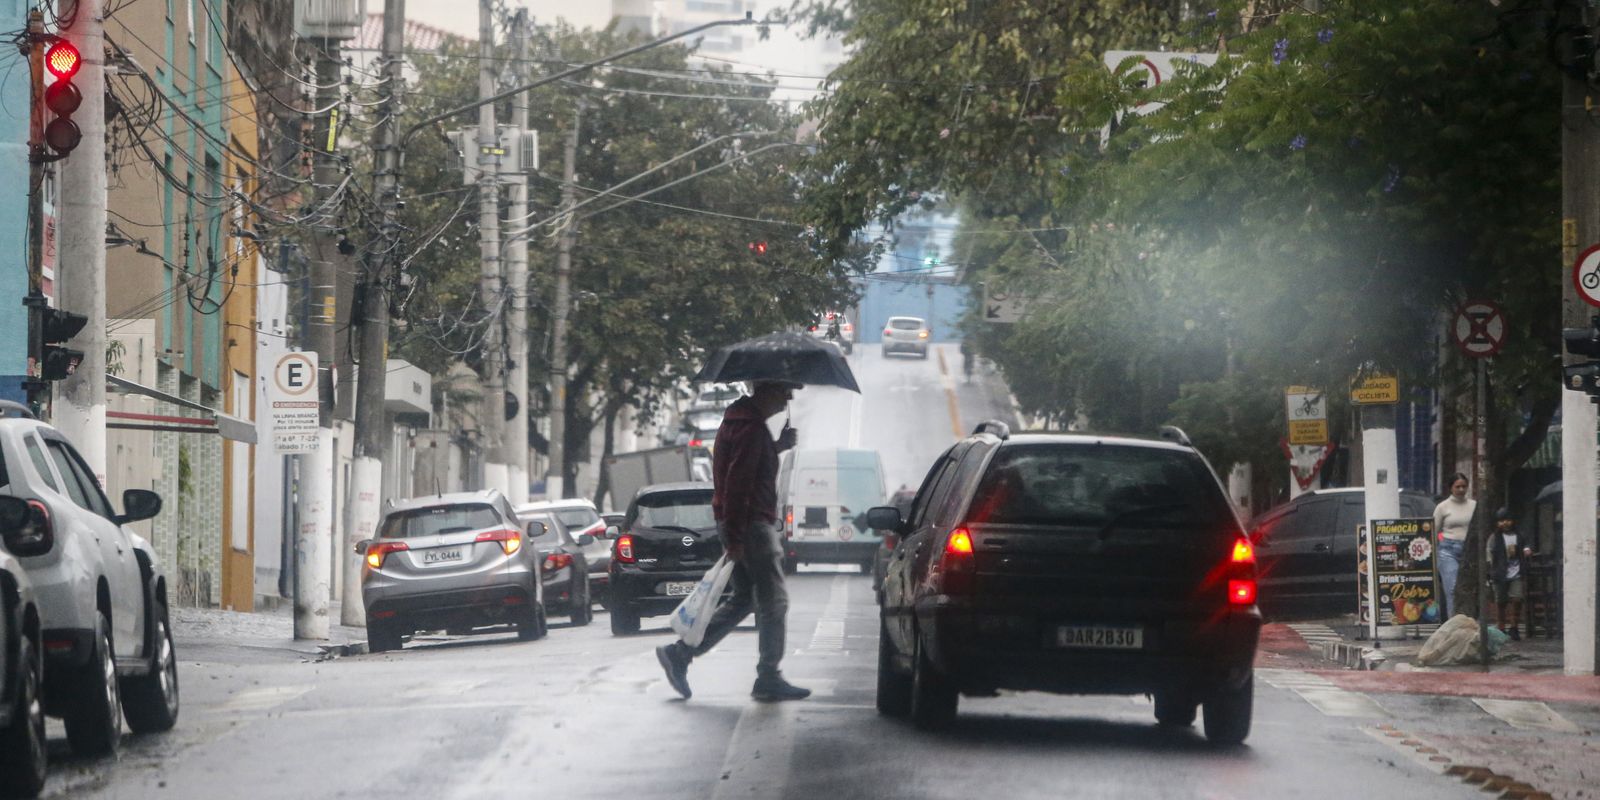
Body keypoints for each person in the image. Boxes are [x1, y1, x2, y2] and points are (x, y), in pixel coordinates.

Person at [656, 379, 810, 702]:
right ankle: (769, 675)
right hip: (752, 526)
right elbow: (738, 484)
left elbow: (743, 471)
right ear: (767, 390)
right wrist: (738, 536)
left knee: (743, 599)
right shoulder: (751, 429)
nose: (789, 397)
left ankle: (680, 654)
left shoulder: (743, 424)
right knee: (774, 602)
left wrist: (777, 446)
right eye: (785, 390)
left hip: (740, 524)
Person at [1432, 472, 1475, 620]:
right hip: (1448, 550)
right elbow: (1434, 531)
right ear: (1451, 488)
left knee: (1469, 588)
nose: (1461, 490)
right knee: (1452, 588)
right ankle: (1453, 622)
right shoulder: (1442, 507)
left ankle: (1469, 621)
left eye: (1464, 486)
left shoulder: (1474, 505)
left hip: (1469, 550)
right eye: (1458, 487)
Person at [1487, 507, 1528, 641]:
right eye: (1501, 521)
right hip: (1500, 573)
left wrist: (1527, 551)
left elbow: (1526, 546)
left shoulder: (1519, 535)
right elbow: (1489, 554)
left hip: (1516, 572)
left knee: (1517, 599)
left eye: (1507, 520)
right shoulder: (1494, 537)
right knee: (1501, 601)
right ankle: (1501, 626)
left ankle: (1514, 626)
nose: (1505, 523)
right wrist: (1490, 571)